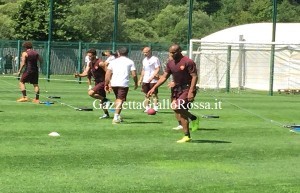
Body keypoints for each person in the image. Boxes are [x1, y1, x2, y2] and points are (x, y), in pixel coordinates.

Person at [147, 44, 199, 143]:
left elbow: (194, 76)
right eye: (170, 52)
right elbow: (164, 77)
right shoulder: (170, 63)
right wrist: (154, 87)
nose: (171, 54)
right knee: (179, 111)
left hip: (187, 88)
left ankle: (193, 118)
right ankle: (187, 136)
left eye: (174, 52)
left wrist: (191, 91)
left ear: (180, 51)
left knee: (177, 107)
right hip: (176, 89)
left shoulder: (188, 62)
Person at [105, 47, 138, 124]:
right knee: (120, 100)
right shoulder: (130, 62)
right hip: (123, 84)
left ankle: (118, 116)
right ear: (127, 53)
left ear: (118, 53)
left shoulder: (113, 61)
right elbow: (134, 74)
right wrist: (136, 83)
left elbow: (108, 74)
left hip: (114, 83)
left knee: (118, 99)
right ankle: (115, 117)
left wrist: (106, 84)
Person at [75, 48, 110, 119]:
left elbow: (108, 72)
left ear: (95, 55)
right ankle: (106, 114)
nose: (89, 57)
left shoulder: (100, 63)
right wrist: (79, 75)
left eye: (90, 56)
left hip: (103, 82)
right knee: (101, 100)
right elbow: (85, 73)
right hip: (97, 82)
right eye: (88, 56)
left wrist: (108, 83)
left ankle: (107, 100)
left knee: (90, 93)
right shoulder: (90, 63)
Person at [138, 47, 160, 112]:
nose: (145, 53)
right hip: (145, 79)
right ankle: (147, 107)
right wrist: (140, 79)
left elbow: (157, 68)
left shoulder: (155, 59)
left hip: (153, 80)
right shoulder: (144, 60)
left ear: (150, 51)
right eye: (144, 52)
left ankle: (156, 107)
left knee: (154, 94)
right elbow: (143, 70)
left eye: (146, 52)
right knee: (146, 94)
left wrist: (152, 76)